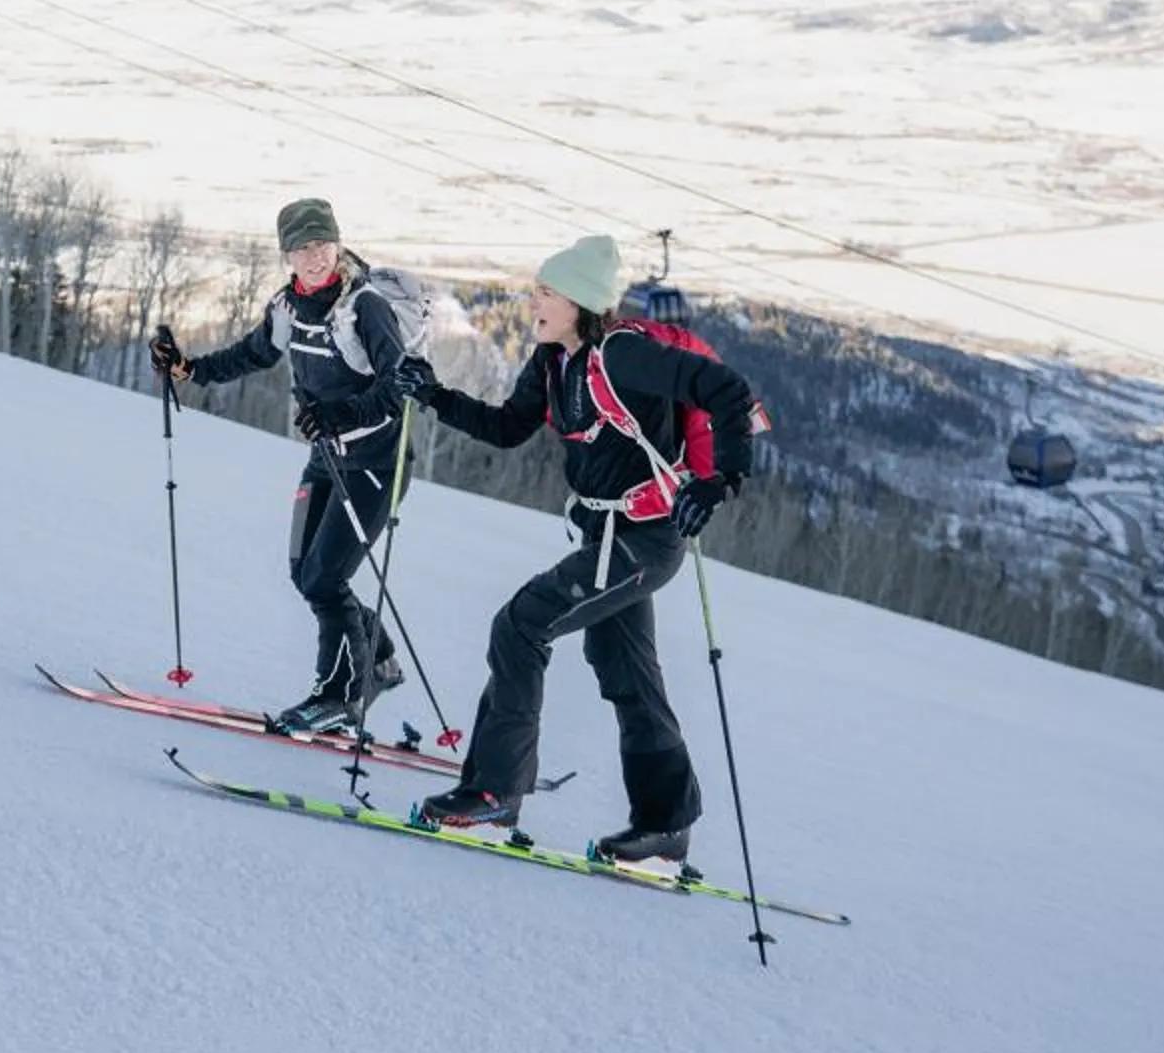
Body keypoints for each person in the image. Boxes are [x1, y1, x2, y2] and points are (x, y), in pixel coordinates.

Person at [393, 234, 758, 866]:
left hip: (648, 539)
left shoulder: (625, 355)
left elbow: (726, 391)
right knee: (627, 671)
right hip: (604, 535)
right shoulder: (552, 360)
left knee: (520, 623)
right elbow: (508, 430)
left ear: (581, 303)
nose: (532, 299)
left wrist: (718, 479)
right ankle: (666, 823)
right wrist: (432, 393)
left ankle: (494, 790)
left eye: (546, 291)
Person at [150, 197, 411, 733]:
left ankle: (338, 697)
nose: (314, 257)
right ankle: (378, 662)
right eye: (301, 249)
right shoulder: (288, 307)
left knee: (323, 578)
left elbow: (398, 385)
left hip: (377, 461)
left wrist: (340, 413)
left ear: (337, 244)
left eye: (321, 245)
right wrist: (187, 369)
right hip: (327, 455)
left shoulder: (365, 307)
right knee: (306, 574)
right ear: (287, 256)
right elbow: (253, 353)